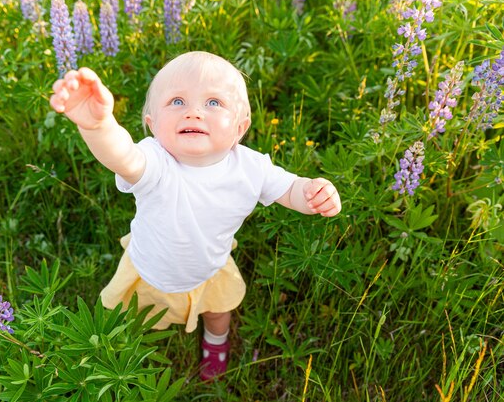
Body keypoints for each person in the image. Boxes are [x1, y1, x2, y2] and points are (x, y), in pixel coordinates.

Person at [50, 51, 341, 381]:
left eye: (214, 103)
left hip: (210, 268)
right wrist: (99, 125)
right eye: (176, 101)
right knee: (134, 320)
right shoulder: (156, 161)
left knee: (219, 313)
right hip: (150, 270)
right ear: (152, 126)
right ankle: (128, 362)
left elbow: (288, 189)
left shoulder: (251, 167)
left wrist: (310, 193)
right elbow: (123, 156)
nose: (194, 112)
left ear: (240, 127)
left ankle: (215, 343)